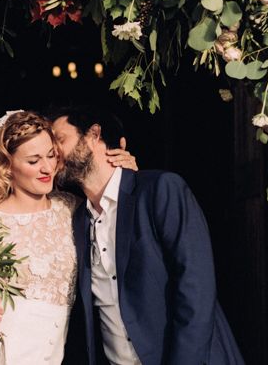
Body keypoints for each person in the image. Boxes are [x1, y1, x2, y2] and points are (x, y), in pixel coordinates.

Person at [51, 106, 245, 365]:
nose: (53, 152)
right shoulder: (75, 218)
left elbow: (196, 288)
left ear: (93, 135)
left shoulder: (160, 190)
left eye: (60, 140)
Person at [0, 110, 135, 365]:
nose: (47, 168)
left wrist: (125, 172)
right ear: (7, 165)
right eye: (33, 160)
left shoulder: (73, 210)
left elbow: (117, 213)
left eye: (51, 156)